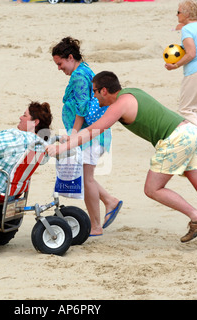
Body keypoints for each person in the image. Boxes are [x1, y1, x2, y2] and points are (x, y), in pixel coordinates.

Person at [46, 71, 197, 249]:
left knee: (152, 189)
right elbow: (89, 128)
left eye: (95, 92)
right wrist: (70, 138)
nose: (95, 98)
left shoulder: (119, 105)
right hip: (191, 132)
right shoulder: (132, 93)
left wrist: (61, 148)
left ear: (105, 91)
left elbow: (94, 130)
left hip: (176, 139)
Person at [52, 37, 122, 236]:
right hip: (91, 135)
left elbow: (82, 110)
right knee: (85, 176)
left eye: (60, 63)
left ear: (71, 57)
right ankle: (110, 201)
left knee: (87, 179)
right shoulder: (84, 71)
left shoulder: (79, 76)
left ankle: (96, 226)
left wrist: (73, 136)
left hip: (88, 137)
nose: (59, 68)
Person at [166, 0, 197, 151]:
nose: (177, 14)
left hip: (196, 70)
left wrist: (174, 65)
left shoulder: (187, 29)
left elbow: (191, 54)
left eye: (179, 12)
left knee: (186, 110)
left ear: (187, 14)